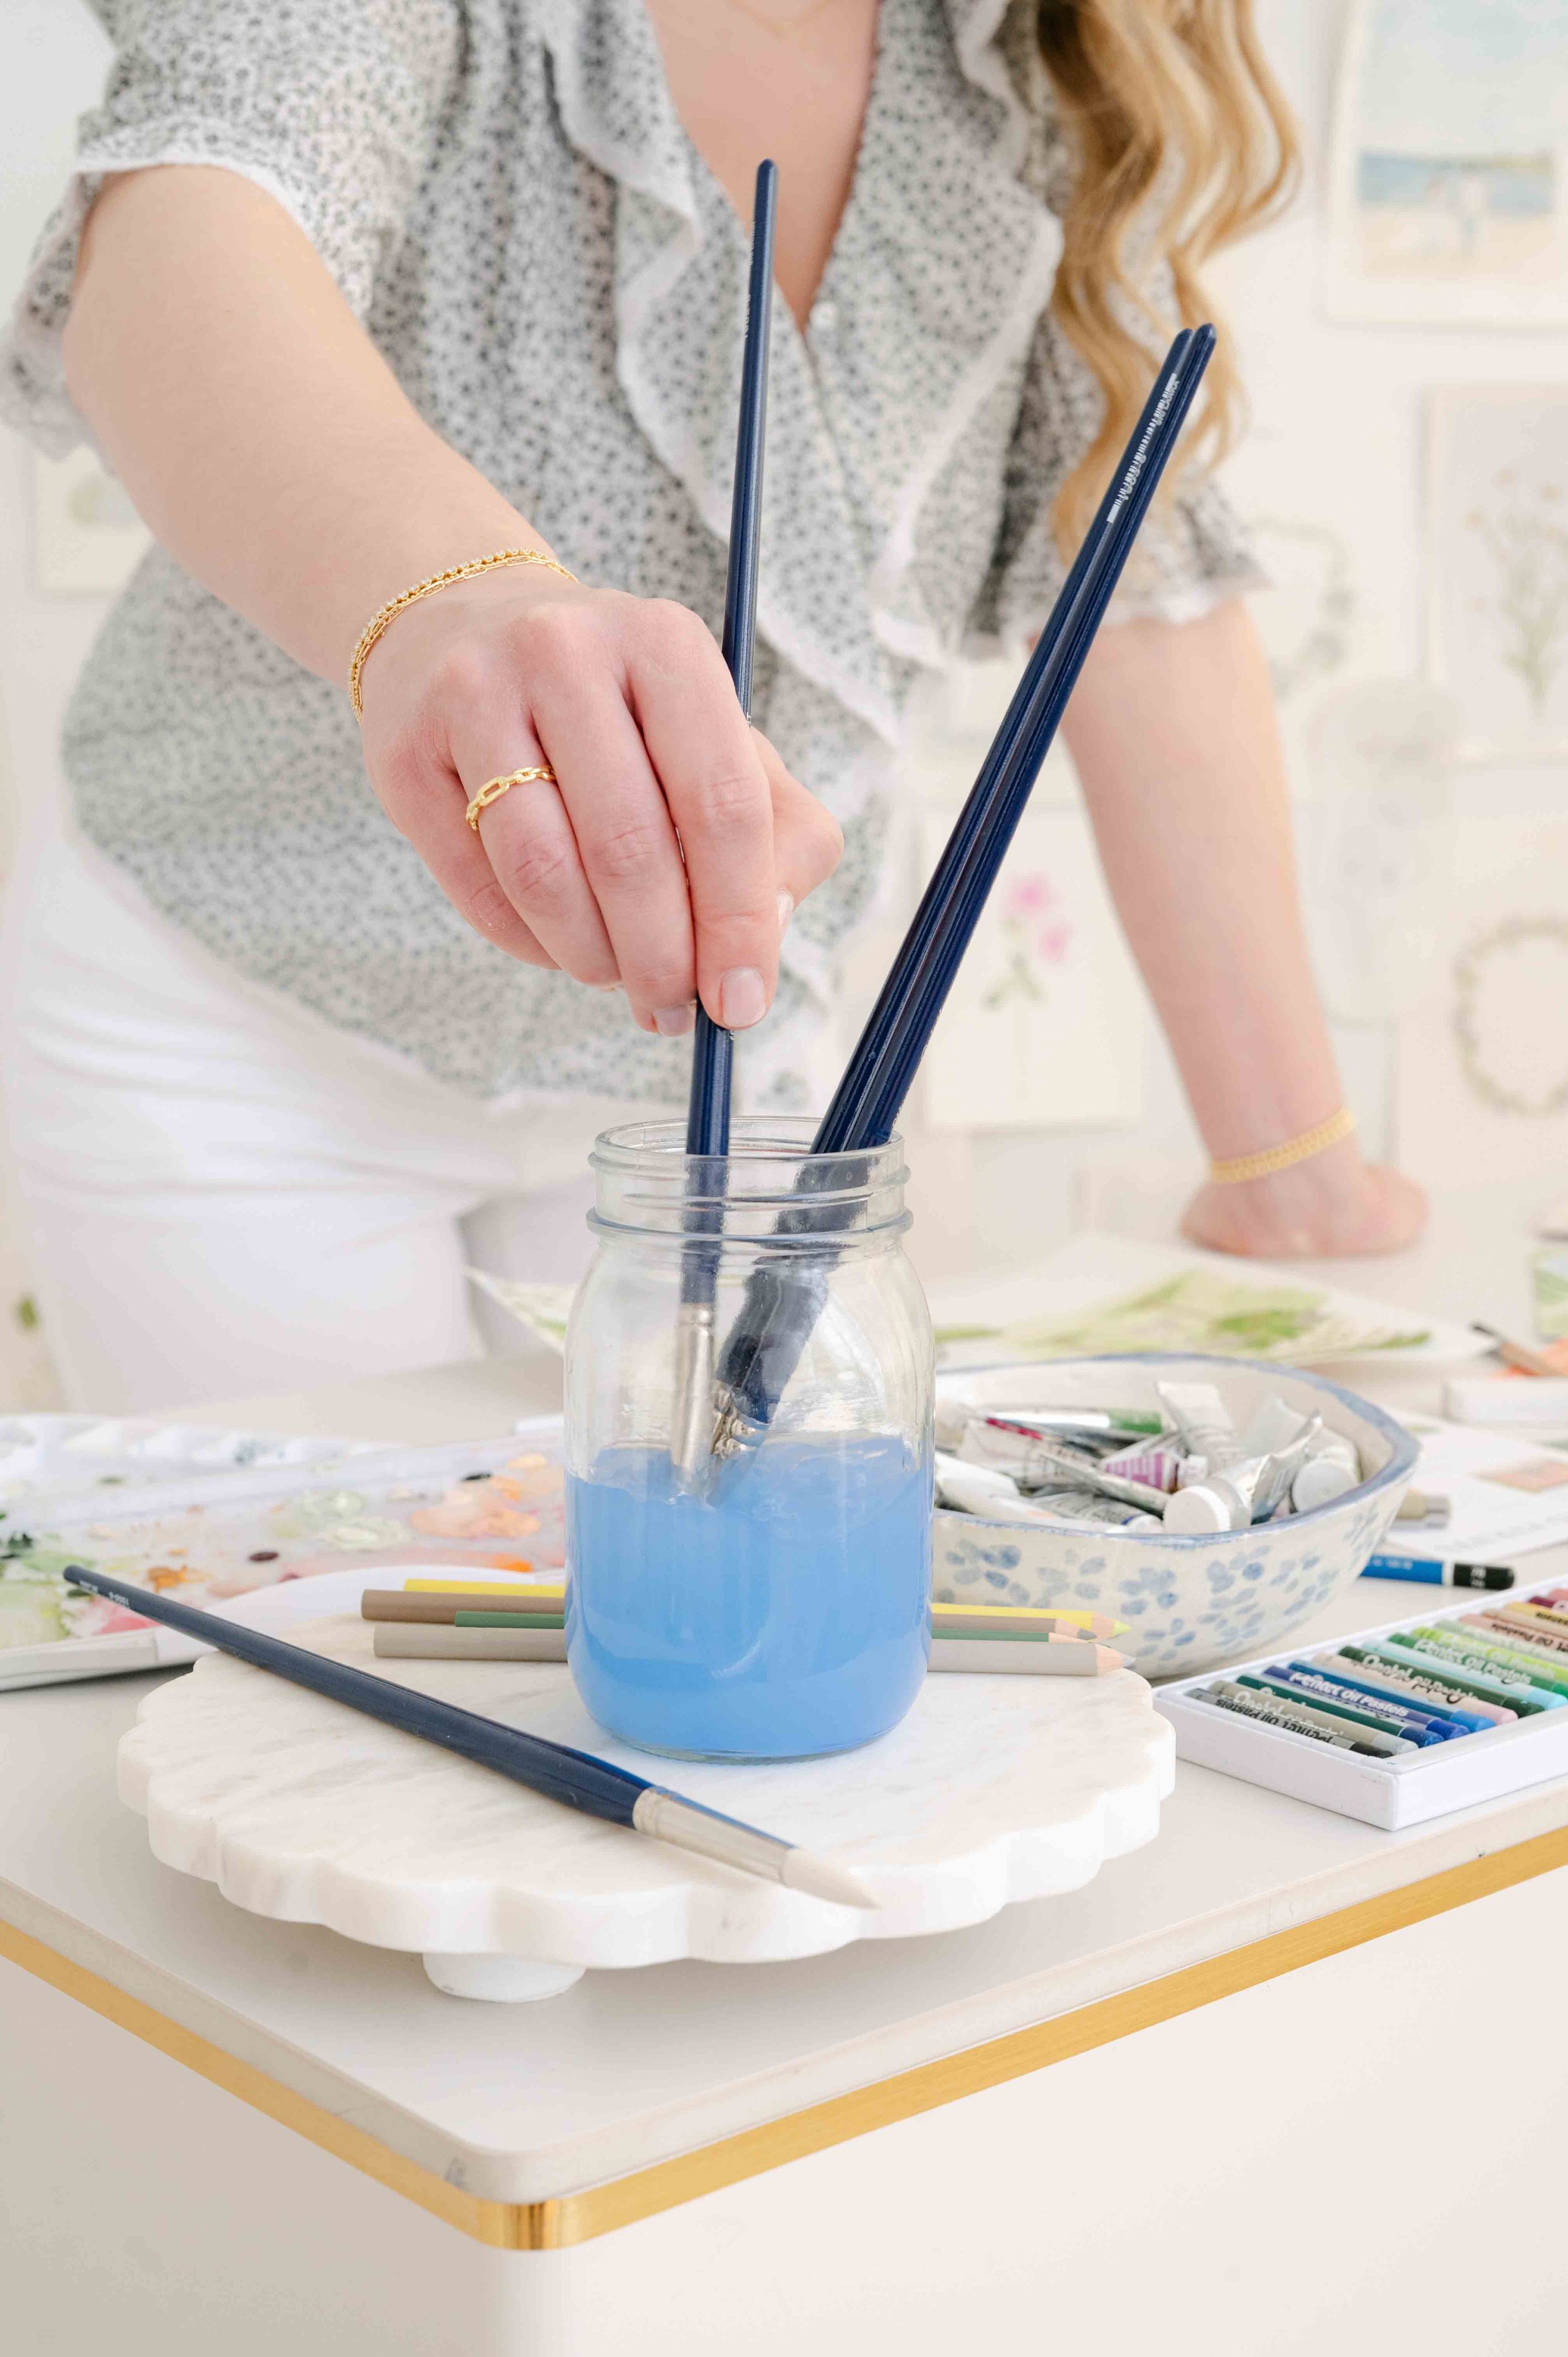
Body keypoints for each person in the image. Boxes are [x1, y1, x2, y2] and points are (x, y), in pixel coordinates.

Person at [0, 0, 1423, 1413]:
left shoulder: (1022, 56)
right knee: (360, 1608)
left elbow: (1129, 580)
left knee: (726, 1603)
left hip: (719, 1071)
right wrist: (452, 599)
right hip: (240, 1037)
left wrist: (1285, 1168)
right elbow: (192, 241)